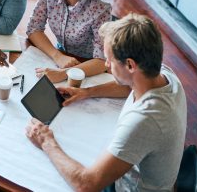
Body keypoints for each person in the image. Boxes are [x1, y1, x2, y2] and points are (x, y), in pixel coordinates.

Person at [26, 13, 187, 191]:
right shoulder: (163, 74)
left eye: (109, 60)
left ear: (130, 65)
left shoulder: (146, 120)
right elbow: (129, 86)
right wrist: (85, 92)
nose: (106, 65)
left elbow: (85, 185)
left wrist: (46, 141)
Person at [27, 0, 111, 83]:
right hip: (60, 55)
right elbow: (33, 29)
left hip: (88, 64)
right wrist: (58, 56)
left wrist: (64, 73)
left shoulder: (100, 7)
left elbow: (102, 61)